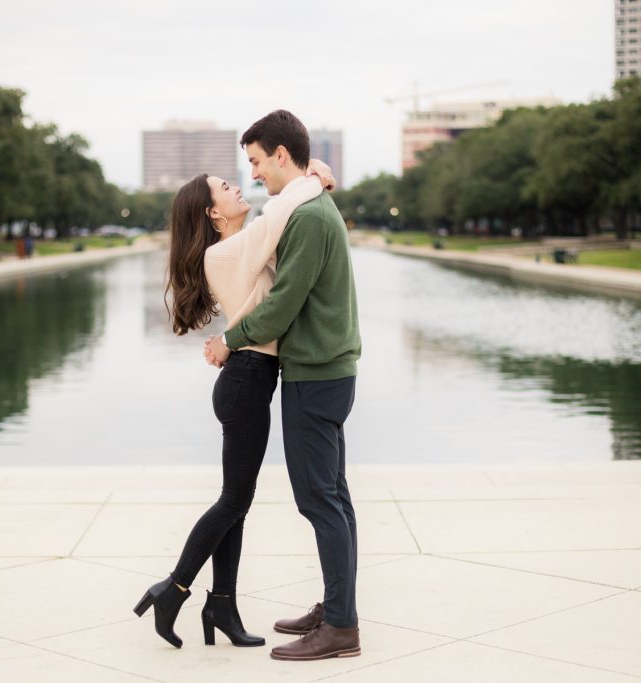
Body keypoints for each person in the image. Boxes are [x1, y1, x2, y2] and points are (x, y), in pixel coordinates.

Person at [133, 158, 335, 649]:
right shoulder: (228, 253)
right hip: (246, 380)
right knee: (233, 500)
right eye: (226, 187)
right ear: (212, 213)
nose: (238, 187)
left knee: (236, 502)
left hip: (250, 377)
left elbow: (284, 220)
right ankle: (174, 588)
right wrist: (312, 178)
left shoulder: (239, 248)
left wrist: (313, 181)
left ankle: (222, 604)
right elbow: (282, 210)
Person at [205, 110, 362, 662]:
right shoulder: (309, 206)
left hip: (318, 373)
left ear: (280, 155)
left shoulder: (310, 217)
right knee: (332, 496)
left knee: (320, 498)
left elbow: (282, 305)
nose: (253, 176)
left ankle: (341, 626)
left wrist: (230, 337)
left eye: (255, 162)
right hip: (323, 370)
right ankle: (338, 607)